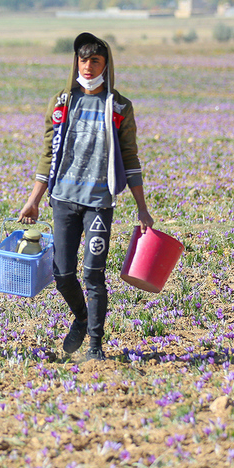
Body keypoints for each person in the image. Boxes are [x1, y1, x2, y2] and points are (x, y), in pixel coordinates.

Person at [19, 32, 154, 361]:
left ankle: (95, 346)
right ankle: (81, 317)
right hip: (63, 200)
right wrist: (34, 199)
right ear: (76, 62)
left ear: (106, 65)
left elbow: (131, 158)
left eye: (96, 60)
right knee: (63, 274)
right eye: (83, 59)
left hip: (98, 203)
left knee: (93, 275)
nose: (89, 66)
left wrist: (142, 209)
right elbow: (48, 154)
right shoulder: (62, 103)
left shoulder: (119, 106)